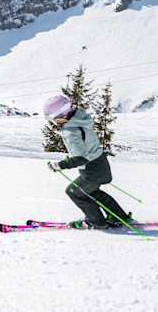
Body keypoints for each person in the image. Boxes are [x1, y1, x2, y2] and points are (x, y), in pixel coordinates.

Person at [42, 94, 132, 230]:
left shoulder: (71, 131)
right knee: (91, 192)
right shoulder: (79, 119)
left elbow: (81, 158)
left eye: (52, 119)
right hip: (100, 164)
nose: (53, 122)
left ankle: (96, 222)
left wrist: (59, 165)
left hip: (92, 169)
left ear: (59, 115)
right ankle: (119, 217)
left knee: (74, 192)